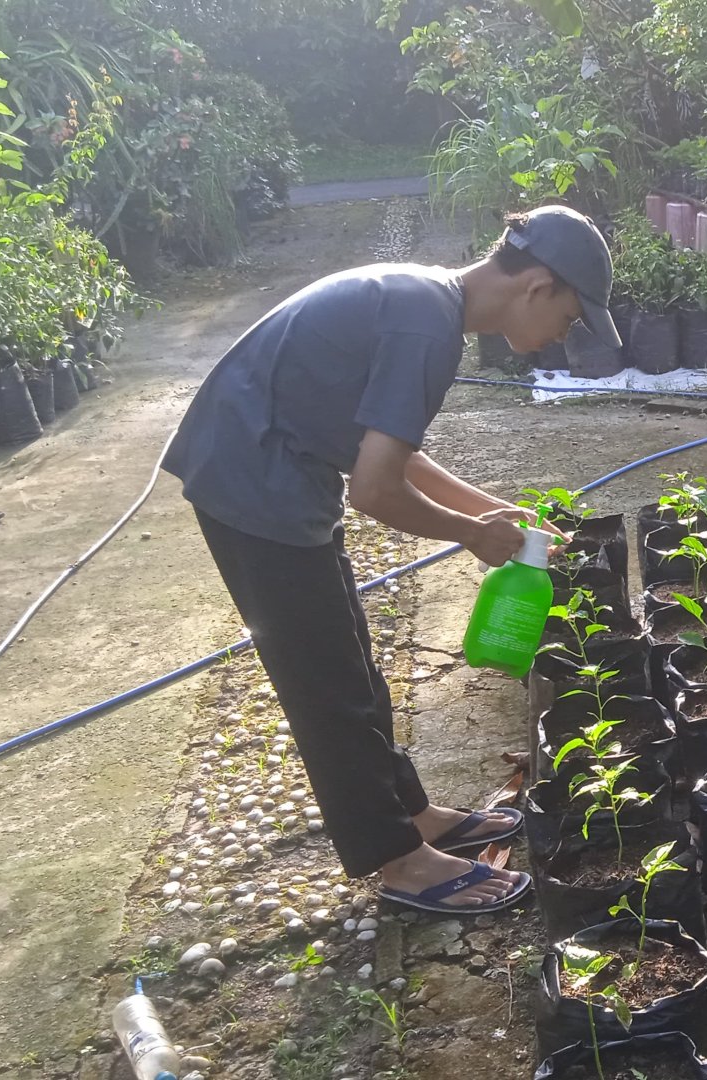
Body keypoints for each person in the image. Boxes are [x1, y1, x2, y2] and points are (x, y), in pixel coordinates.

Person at [163, 206, 624, 914]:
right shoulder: (426, 327)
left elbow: (397, 450)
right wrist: (471, 532)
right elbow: (375, 487)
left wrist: (491, 507)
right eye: (569, 318)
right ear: (537, 286)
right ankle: (398, 861)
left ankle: (412, 814)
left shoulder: (427, 300)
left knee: (352, 658)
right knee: (327, 685)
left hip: (275, 464)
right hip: (251, 479)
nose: (562, 338)